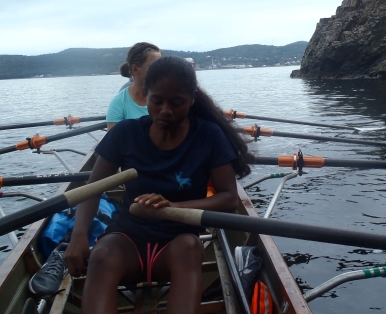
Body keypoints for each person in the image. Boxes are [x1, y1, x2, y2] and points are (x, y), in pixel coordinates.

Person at [64, 56, 253, 314]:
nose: (165, 110)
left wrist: (174, 206)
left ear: (192, 99)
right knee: (101, 254)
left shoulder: (208, 135)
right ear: (146, 95)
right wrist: (79, 236)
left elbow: (230, 199)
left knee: (190, 247)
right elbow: (93, 188)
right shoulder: (125, 133)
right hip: (127, 239)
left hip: (176, 242)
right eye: (157, 101)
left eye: (176, 103)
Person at [107, 42, 162, 130]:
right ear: (135, 69)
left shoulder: (169, 98)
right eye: (153, 66)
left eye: (161, 66)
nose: (159, 71)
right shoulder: (119, 102)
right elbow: (114, 141)